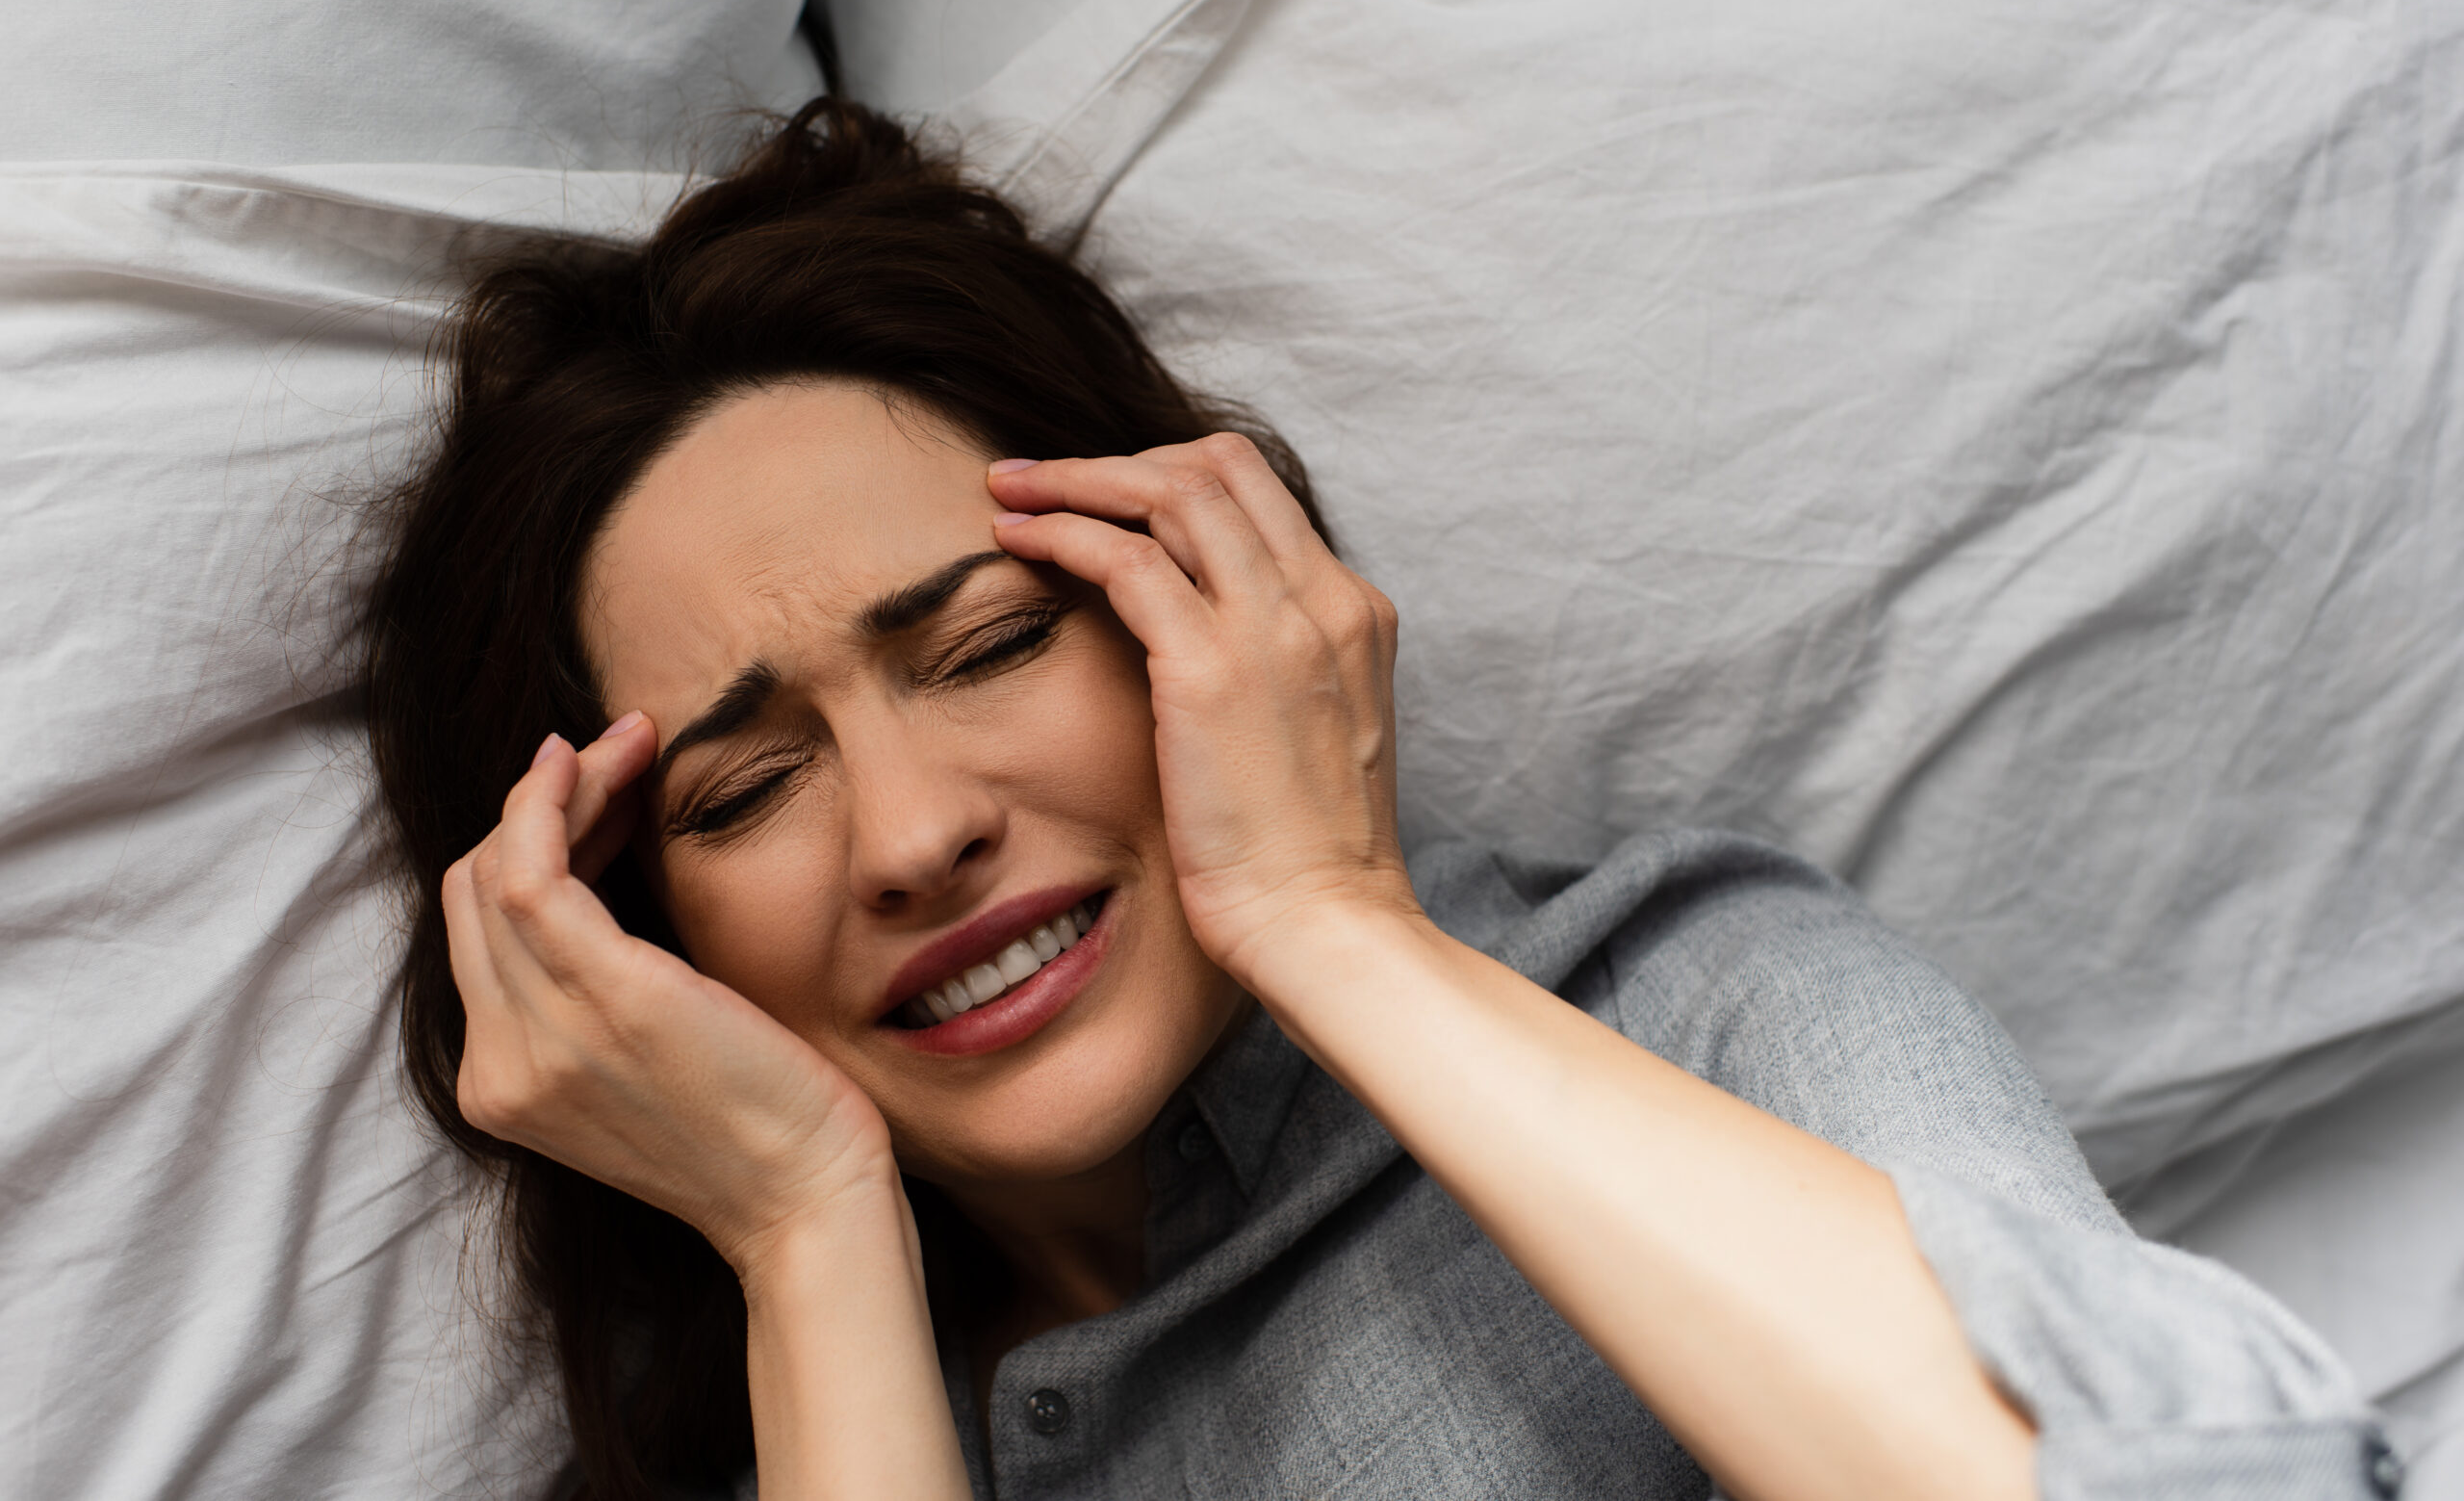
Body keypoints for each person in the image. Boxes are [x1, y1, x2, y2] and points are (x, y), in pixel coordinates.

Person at [360, 99, 2396, 1501]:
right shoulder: (789, 1424)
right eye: (744, 790)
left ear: (1211, 619)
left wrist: (1331, 921)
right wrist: (809, 1239)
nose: (909, 836)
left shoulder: (1690, 1015)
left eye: (985, 649)